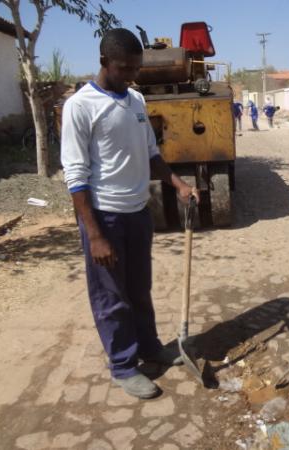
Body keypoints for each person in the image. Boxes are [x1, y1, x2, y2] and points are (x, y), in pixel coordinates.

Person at [60, 28, 198, 400]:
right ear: (104, 62)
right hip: (105, 217)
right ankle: (123, 365)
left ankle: (150, 347)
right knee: (111, 297)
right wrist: (95, 234)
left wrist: (178, 184)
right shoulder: (80, 106)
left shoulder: (136, 99)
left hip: (138, 213)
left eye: (136, 68)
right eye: (124, 68)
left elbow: (152, 154)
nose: (131, 75)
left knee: (139, 289)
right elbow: (75, 175)